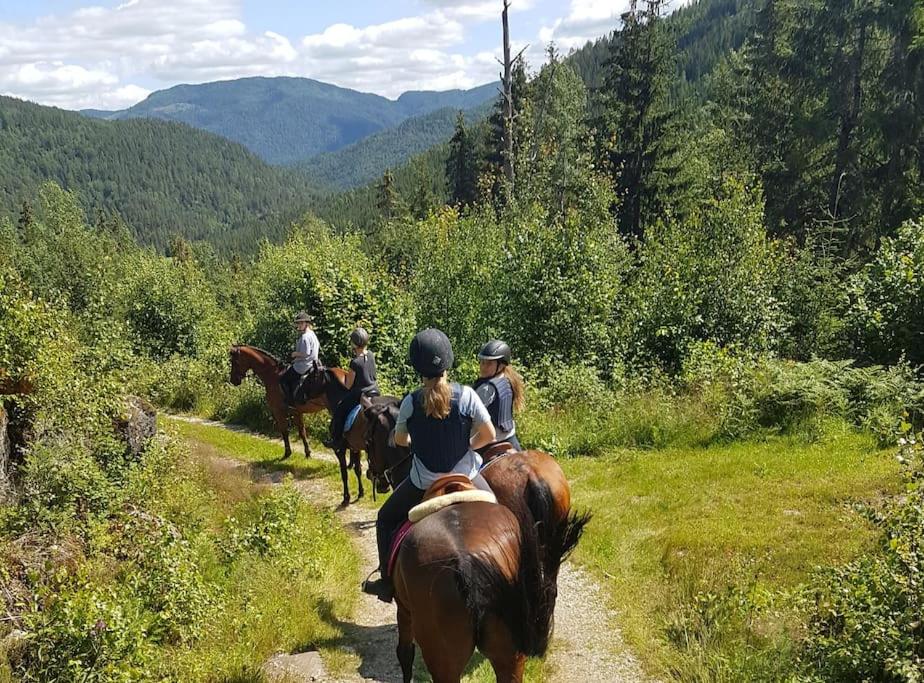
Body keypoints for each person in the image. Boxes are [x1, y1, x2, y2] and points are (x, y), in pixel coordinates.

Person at [362, 328, 496, 603]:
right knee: (500, 512)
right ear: (448, 362)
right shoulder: (468, 395)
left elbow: (400, 440)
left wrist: (416, 440)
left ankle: (386, 583)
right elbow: (489, 435)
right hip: (467, 476)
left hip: (424, 483)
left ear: (418, 367)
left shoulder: (411, 402)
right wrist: (467, 446)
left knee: (385, 519)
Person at [324, 327, 380, 450]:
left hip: (361, 394)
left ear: (354, 344)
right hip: (375, 390)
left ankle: (336, 439)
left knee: (339, 410)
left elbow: (348, 385)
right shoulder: (371, 355)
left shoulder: (355, 362)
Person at [472, 339, 525, 451]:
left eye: (489, 363)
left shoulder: (487, 389)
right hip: (511, 440)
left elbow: (471, 418)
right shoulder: (507, 380)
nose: (483, 367)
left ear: (501, 365)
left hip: (487, 443)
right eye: (482, 362)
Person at [279, 311, 319, 405]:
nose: (299, 325)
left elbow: (306, 353)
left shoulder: (305, 337)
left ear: (306, 323)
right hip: (313, 363)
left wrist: (295, 354)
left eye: (301, 323)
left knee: (283, 379)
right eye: (298, 323)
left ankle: (290, 401)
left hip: (304, 365)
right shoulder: (312, 334)